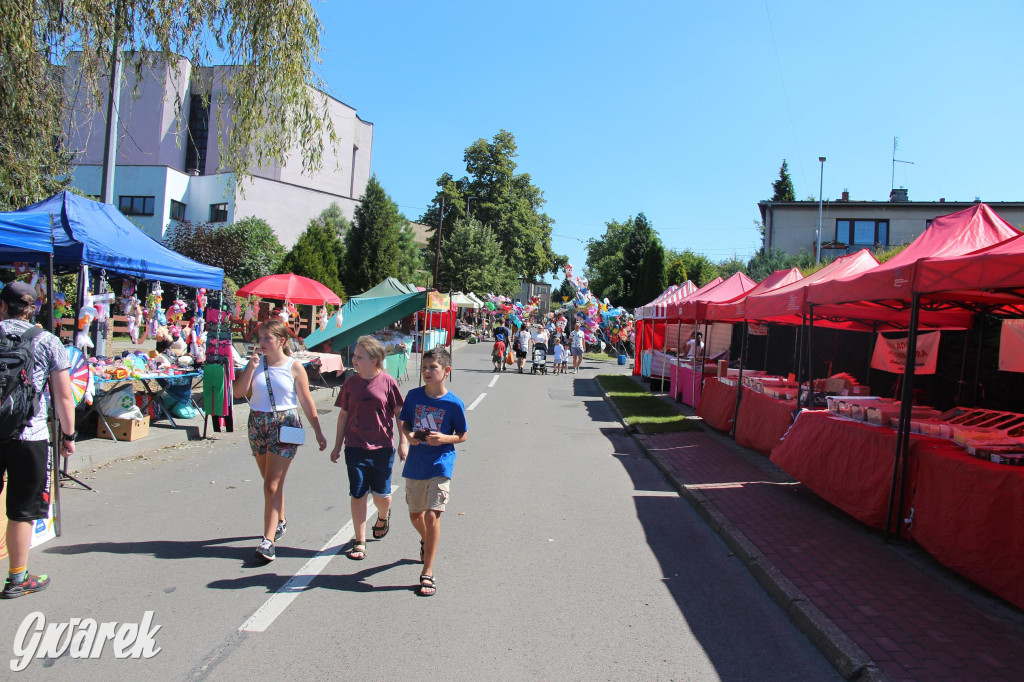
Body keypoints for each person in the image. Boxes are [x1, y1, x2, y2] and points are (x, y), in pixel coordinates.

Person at [0, 282, 76, 599]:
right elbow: (64, 396)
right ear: (32, 309)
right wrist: (69, 436)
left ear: (2, 306)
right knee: (23, 509)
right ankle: (17, 578)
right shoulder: (48, 341)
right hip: (30, 437)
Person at [234, 319, 327, 562]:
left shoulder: (294, 367)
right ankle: (280, 520)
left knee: (271, 485)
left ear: (281, 341)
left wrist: (317, 430)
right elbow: (238, 392)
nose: (262, 343)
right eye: (260, 338)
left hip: (286, 425)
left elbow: (306, 401)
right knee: (270, 481)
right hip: (257, 424)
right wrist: (251, 367)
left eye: (268, 338)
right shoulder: (255, 364)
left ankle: (267, 541)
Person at [331, 336, 408, 561]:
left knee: (382, 494)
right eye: (354, 356)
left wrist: (403, 442)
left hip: (382, 447)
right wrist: (337, 445)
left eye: (359, 356)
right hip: (354, 446)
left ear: (374, 359)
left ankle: (383, 516)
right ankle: (360, 540)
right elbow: (343, 414)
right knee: (358, 493)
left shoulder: (387, 382)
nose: (354, 360)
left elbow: (398, 413)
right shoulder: (350, 384)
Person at [399, 346, 468, 597]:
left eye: (433, 367)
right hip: (416, 464)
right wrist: (409, 436)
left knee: (431, 515)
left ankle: (427, 571)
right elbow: (406, 422)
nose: (427, 371)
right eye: (424, 367)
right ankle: (427, 541)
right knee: (415, 516)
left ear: (446, 371)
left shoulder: (453, 404)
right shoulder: (414, 396)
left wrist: (445, 438)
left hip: (441, 464)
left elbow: (463, 435)